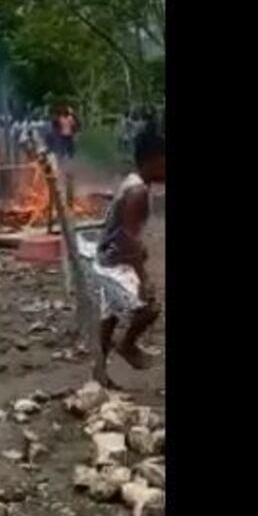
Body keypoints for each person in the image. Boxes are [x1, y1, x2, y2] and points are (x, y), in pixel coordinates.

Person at [84, 126, 166, 388]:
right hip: (115, 262)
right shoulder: (137, 191)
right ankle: (127, 345)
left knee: (110, 318)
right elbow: (128, 239)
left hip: (107, 257)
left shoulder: (133, 182)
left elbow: (126, 233)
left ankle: (99, 375)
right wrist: (141, 277)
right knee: (149, 309)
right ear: (152, 160)